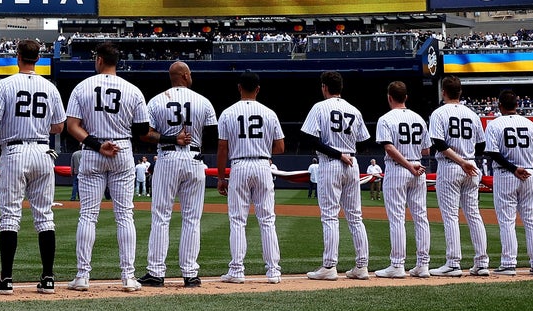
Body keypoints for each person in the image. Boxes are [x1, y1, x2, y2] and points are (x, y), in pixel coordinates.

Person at [65, 42, 150, 292]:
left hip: (93, 150)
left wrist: (97, 144)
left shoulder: (82, 87)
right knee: (125, 215)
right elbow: (143, 129)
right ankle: (129, 277)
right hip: (122, 149)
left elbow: (72, 126)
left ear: (100, 60)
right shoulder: (132, 90)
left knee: (88, 215)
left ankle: (82, 276)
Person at [0, 39, 66, 295]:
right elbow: (59, 126)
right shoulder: (49, 87)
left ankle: (6, 278)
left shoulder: (6, 85)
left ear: (18, 56)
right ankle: (49, 278)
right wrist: (38, 126)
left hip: (16, 150)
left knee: (10, 215)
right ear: (38, 58)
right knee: (45, 216)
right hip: (43, 150)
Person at [138, 61, 216, 288]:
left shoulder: (156, 100)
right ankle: (190, 274)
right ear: (185, 75)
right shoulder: (203, 101)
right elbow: (212, 135)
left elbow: (145, 134)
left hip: (168, 157)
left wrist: (171, 139)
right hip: (194, 158)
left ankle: (155, 272)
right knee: (192, 218)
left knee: (161, 216)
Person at [215, 71, 285, 284]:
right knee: (267, 220)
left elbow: (222, 148)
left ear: (239, 87)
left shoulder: (227, 113)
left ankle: (237, 270)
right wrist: (264, 150)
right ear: (258, 89)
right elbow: (281, 147)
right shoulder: (269, 112)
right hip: (263, 164)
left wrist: (220, 177)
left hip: (239, 164)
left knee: (237, 220)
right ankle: (273, 271)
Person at [301, 71, 371, 281]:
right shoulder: (354, 110)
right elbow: (365, 142)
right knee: (355, 217)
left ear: (324, 87)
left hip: (331, 163)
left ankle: (329, 266)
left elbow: (309, 139)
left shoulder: (320, 107)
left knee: (330, 216)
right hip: (352, 164)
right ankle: (362, 266)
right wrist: (346, 150)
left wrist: (337, 152)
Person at [427, 75, 490, 276]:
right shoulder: (472, 114)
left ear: (443, 92)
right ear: (460, 92)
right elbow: (481, 144)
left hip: (450, 166)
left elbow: (438, 142)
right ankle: (482, 263)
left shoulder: (439, 113)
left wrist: (460, 161)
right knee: (473, 214)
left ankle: (453, 263)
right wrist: (467, 158)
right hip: (471, 166)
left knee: (451, 216)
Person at [483, 89, 533, 276]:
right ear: (517, 104)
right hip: (528, 173)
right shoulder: (530, 123)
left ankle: (509, 263)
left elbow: (492, 152)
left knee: (507, 220)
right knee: (532, 221)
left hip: (506, 175)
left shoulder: (494, 124)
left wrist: (513, 168)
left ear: (499, 105)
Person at [373, 80, 431, 279]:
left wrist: (408, 164)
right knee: (420, 217)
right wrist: (413, 160)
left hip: (399, 169)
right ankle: (423, 265)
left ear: (389, 97)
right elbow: (426, 149)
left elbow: (388, 147)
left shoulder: (386, 119)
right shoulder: (419, 118)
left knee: (397, 218)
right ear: (406, 97)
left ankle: (397, 265)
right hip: (418, 167)